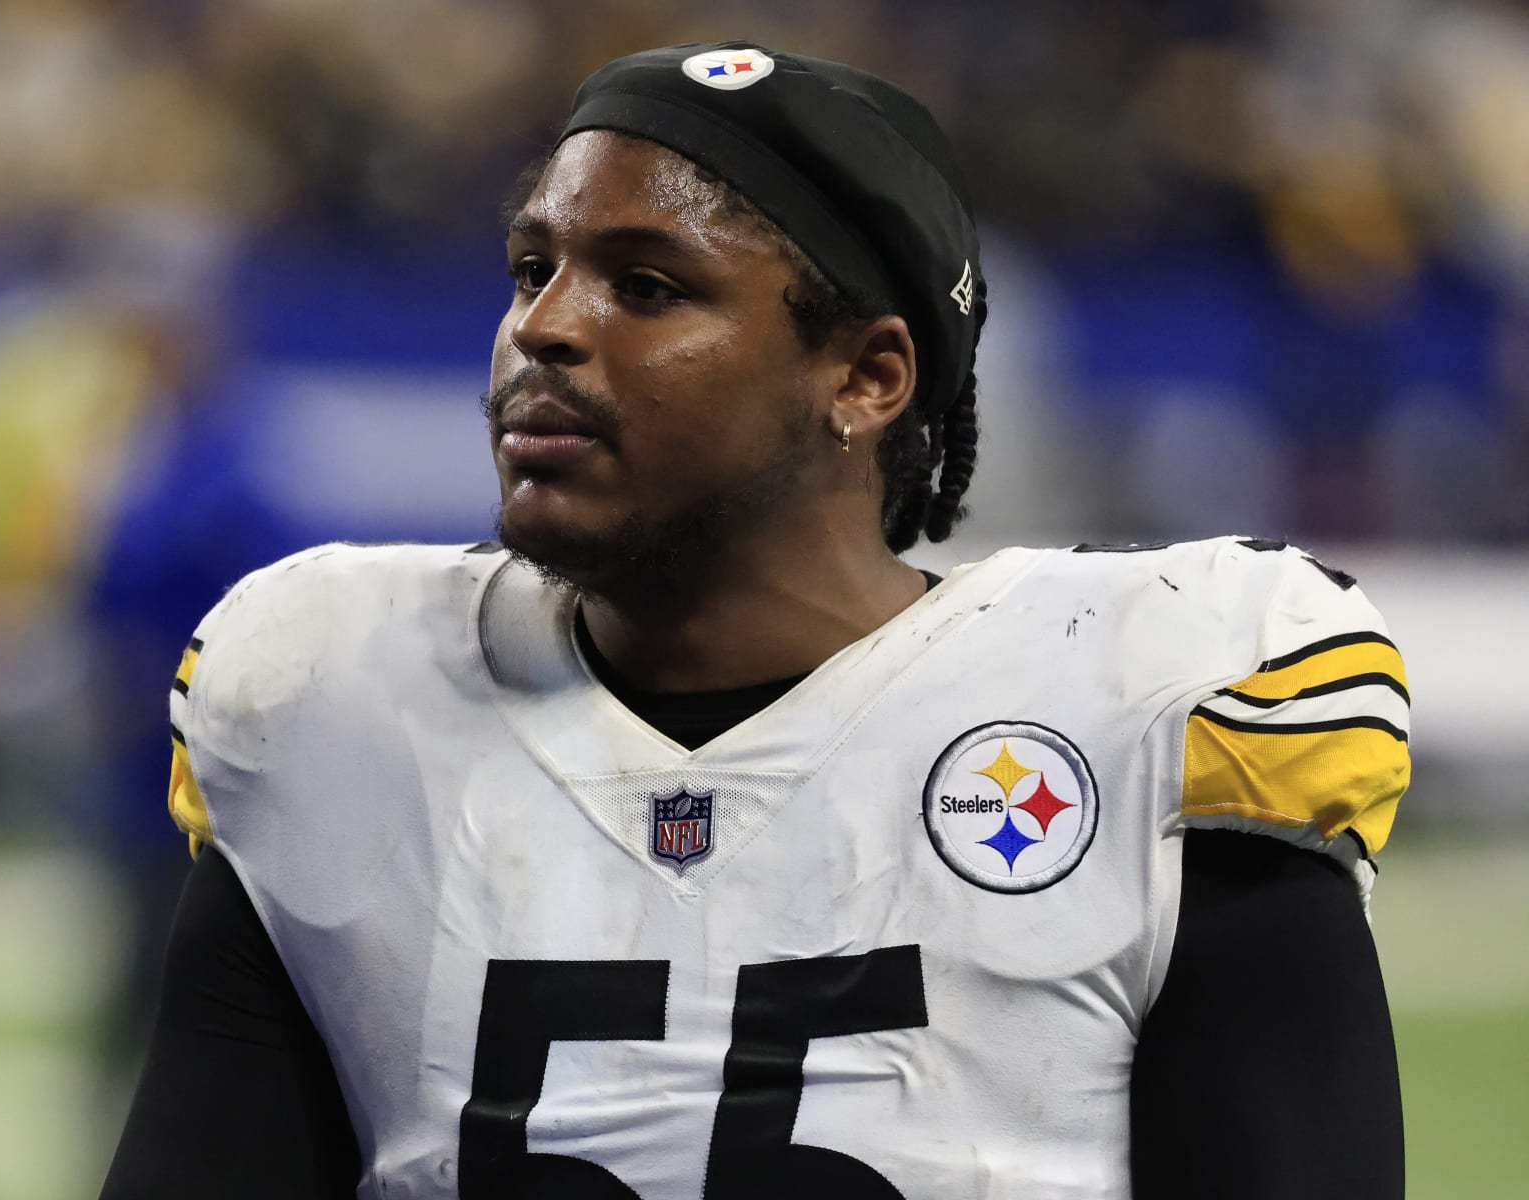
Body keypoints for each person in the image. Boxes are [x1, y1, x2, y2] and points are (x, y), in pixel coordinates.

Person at [101, 42, 1408, 1199]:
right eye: (531, 267)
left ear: (865, 376)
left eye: (649, 284)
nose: (542, 328)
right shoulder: (339, 698)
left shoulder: (1152, 699)